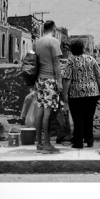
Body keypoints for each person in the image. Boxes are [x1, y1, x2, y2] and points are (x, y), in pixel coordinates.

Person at [62, 39, 100, 148]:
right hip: (92, 92)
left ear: (71, 50)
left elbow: (67, 78)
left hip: (76, 94)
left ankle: (78, 142)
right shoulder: (91, 59)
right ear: (83, 48)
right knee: (89, 117)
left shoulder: (70, 61)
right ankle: (89, 141)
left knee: (78, 118)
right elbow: (98, 76)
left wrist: (65, 94)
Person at [34, 20, 63, 154]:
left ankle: (39, 143)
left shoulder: (37, 42)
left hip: (39, 80)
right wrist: (59, 81)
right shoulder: (54, 42)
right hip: (50, 80)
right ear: (54, 29)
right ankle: (47, 145)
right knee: (47, 113)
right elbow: (56, 63)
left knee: (39, 112)